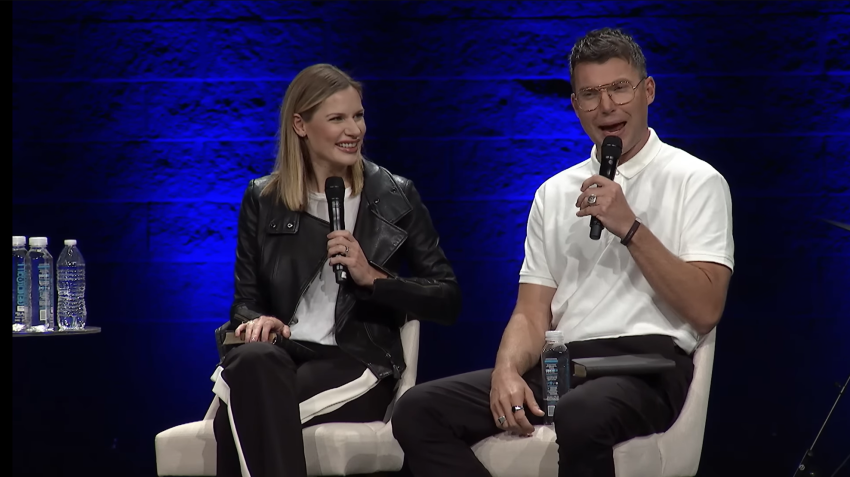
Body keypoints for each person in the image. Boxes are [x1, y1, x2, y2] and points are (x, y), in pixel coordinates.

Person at [392, 27, 734, 477]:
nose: (606, 106)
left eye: (619, 88)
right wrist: (506, 370)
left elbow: (706, 309)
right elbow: (532, 313)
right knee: (417, 410)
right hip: (565, 367)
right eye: (590, 94)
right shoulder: (553, 193)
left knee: (579, 412)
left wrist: (630, 228)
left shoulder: (697, 180)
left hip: (647, 369)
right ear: (575, 106)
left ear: (647, 91)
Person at [211, 63, 461, 477]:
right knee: (252, 360)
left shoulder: (395, 195)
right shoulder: (263, 198)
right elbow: (245, 303)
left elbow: (447, 298)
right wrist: (260, 322)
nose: (354, 130)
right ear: (301, 125)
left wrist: (373, 277)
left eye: (358, 116)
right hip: (285, 356)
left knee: (234, 417)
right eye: (337, 119)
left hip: (358, 359)